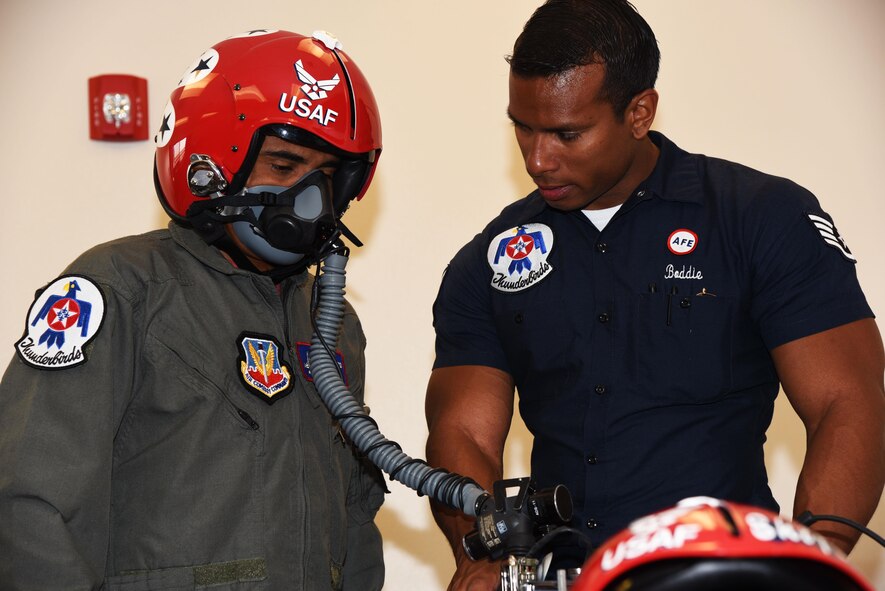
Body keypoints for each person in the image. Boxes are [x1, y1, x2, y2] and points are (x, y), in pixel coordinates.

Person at [424, 1, 885, 589]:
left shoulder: (761, 219)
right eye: (523, 126)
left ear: (639, 112)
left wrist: (808, 563)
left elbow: (848, 402)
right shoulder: (489, 262)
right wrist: (484, 555)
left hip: (723, 574)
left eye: (568, 133)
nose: (538, 158)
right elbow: (462, 433)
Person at [0, 29, 386, 590]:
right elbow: (30, 507)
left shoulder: (332, 324)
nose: (309, 198)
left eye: (326, 177)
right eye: (284, 165)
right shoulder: (121, 290)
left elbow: (354, 520)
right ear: (208, 160)